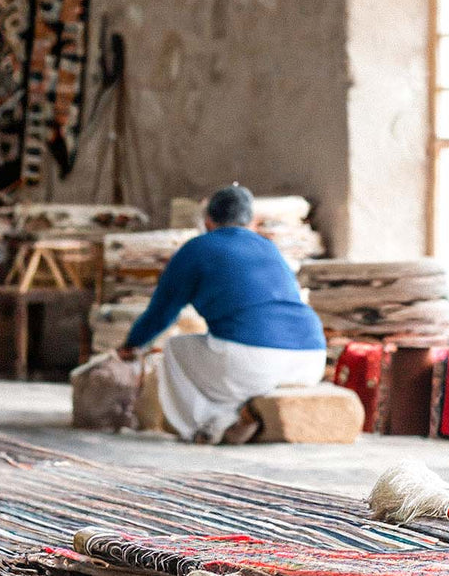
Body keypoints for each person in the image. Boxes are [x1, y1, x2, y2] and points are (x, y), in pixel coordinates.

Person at [118, 184, 326, 444]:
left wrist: (132, 345)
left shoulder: (196, 249)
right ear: (251, 221)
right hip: (310, 359)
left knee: (175, 349)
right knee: (222, 350)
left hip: (252, 362)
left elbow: (162, 313)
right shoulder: (269, 248)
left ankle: (213, 425)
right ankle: (244, 413)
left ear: (207, 221)